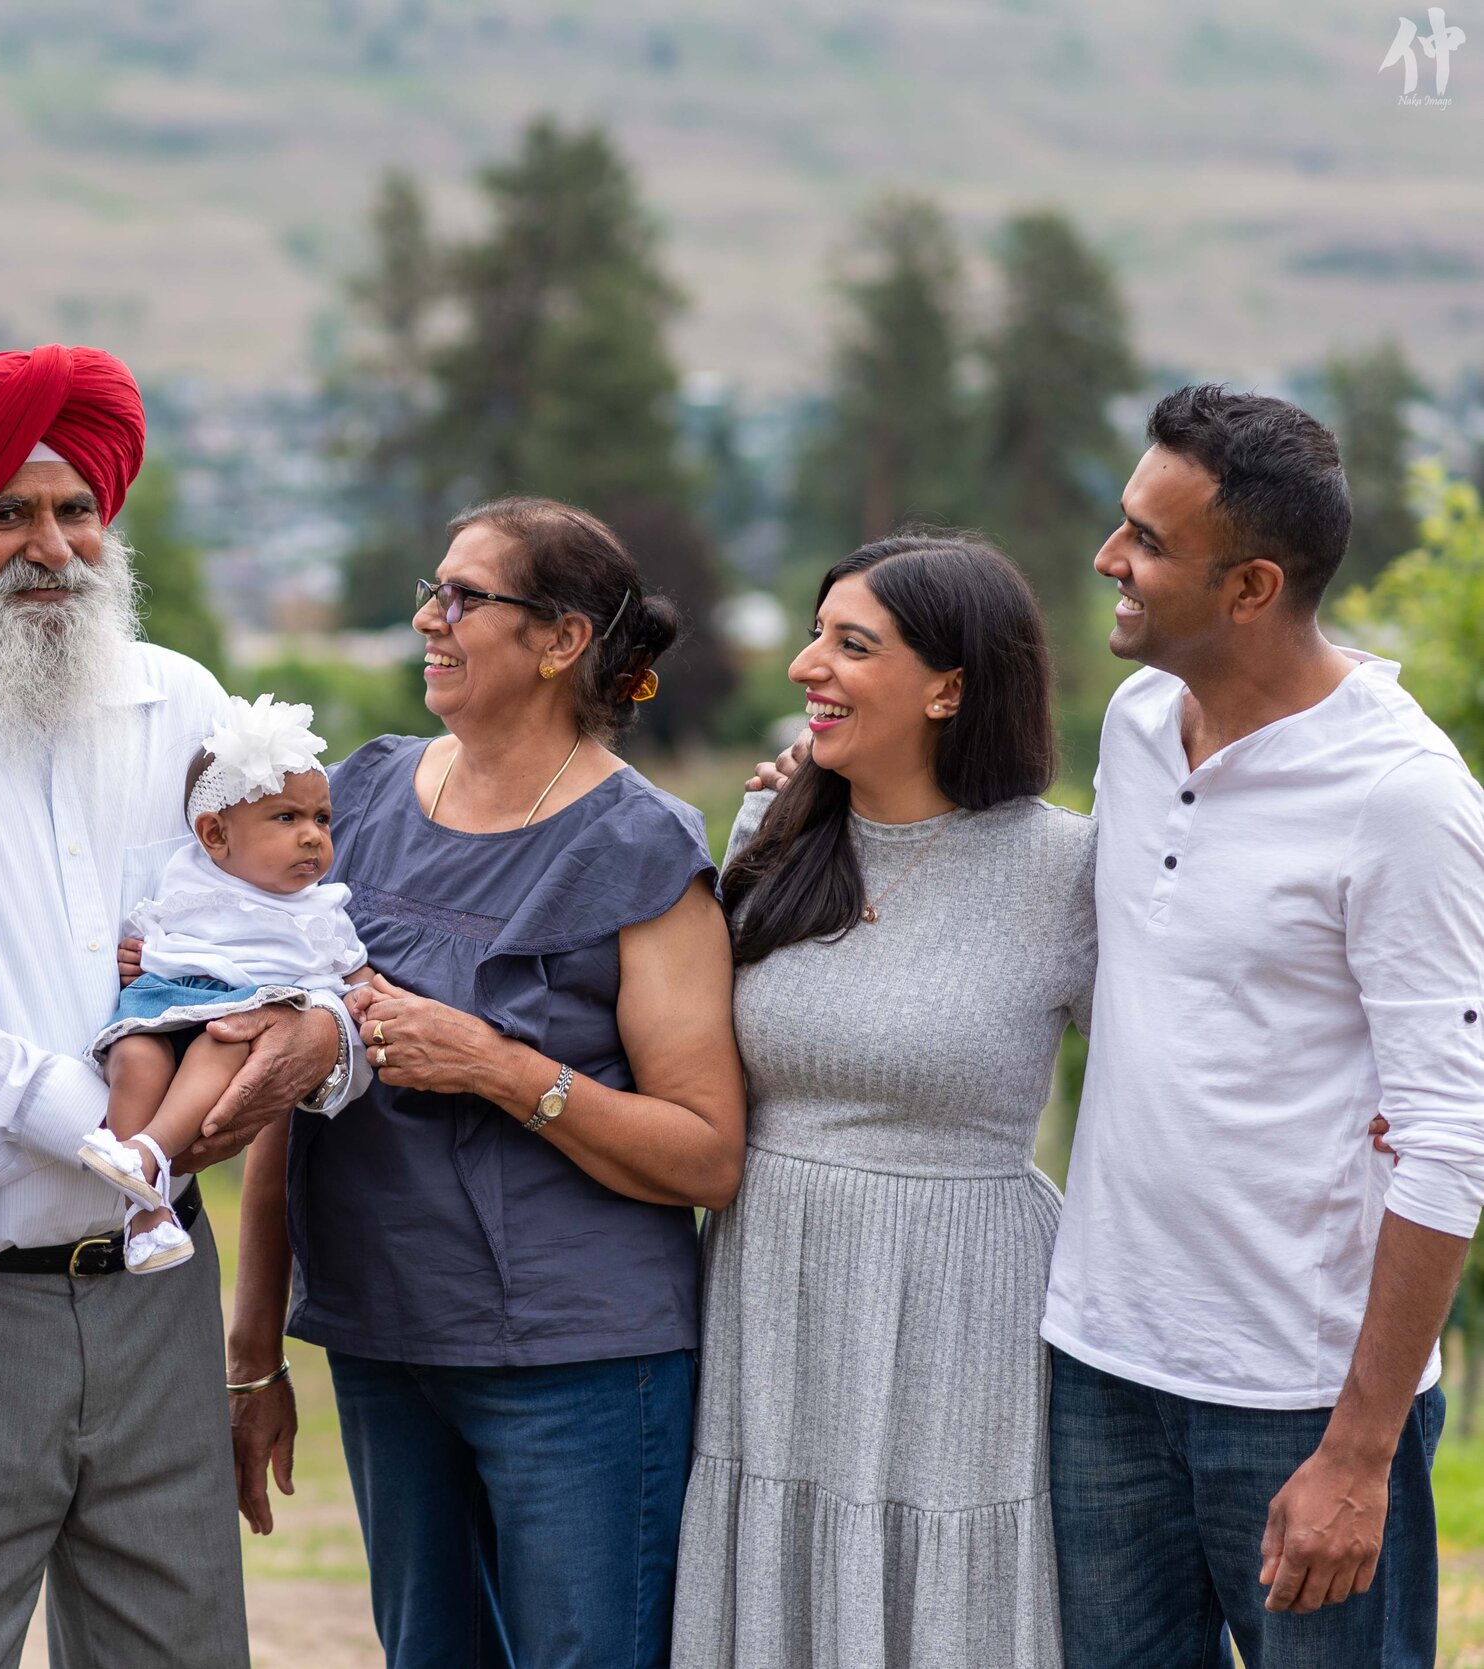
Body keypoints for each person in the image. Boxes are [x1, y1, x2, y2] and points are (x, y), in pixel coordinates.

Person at [0, 344, 365, 1668]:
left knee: (182, 1647)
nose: (53, 545)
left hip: (160, 1297)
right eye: (8, 514)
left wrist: (309, 1042)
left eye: (76, 510)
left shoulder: (188, 708)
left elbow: (275, 935)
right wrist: (117, 1127)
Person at [230, 496, 746, 1669]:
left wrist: (501, 1068)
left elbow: (707, 1150)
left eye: (465, 598)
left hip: (576, 1365)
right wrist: (253, 1348)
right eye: (434, 589)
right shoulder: (351, 800)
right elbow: (286, 1084)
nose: (429, 617)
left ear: (561, 640)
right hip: (380, 1339)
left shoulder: (643, 848)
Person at [1041, 387, 1484, 1666]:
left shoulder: (1402, 800)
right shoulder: (1133, 726)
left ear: (1251, 588)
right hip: (1103, 1365)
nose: (1107, 560)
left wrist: (1359, 1451)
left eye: (1146, 542)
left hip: (1300, 1402)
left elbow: (1452, 1138)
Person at [672, 535, 1093, 1669]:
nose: (807, 663)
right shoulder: (770, 834)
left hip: (962, 1301)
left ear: (950, 686)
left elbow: (1155, 1089)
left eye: (850, 644)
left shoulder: (1067, 867)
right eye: (814, 633)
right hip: (770, 1283)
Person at [81, 694, 370, 1273]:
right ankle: (146, 1209)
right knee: (135, 1054)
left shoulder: (320, 909)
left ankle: (150, 1150)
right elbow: (148, 934)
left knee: (223, 1042)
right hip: (169, 1000)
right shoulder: (186, 874)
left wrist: (368, 997)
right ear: (215, 835)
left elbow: (355, 974)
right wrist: (138, 956)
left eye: (322, 819)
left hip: (240, 1019)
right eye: (287, 818)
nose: (313, 836)